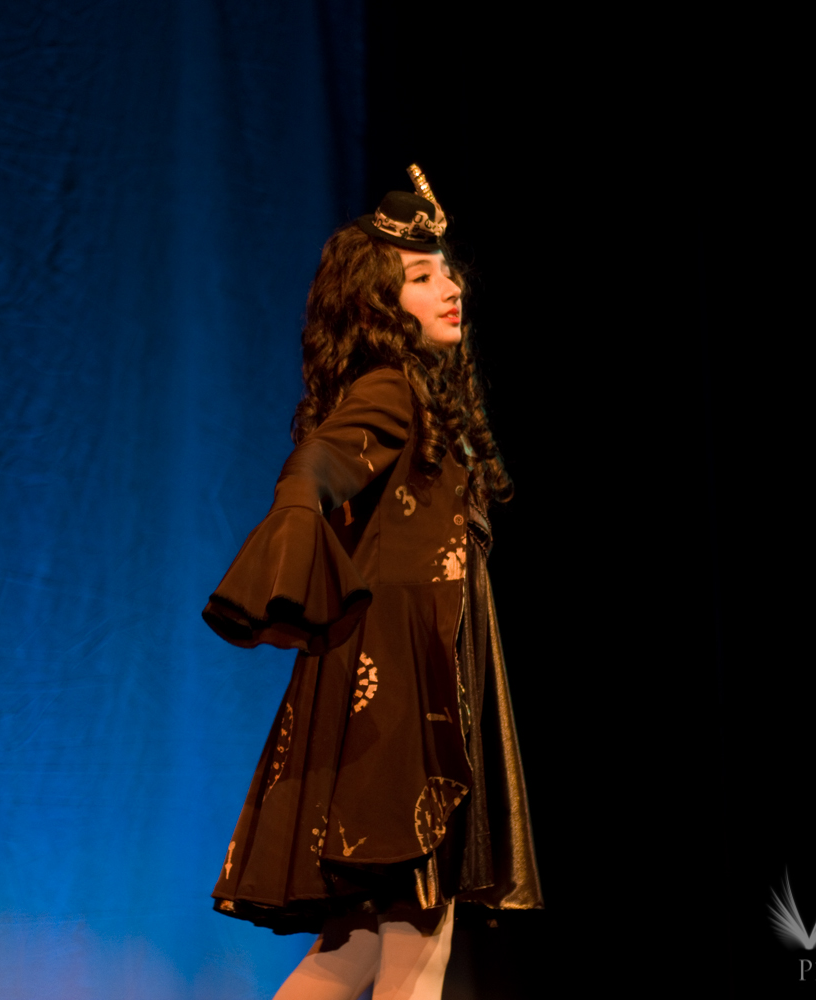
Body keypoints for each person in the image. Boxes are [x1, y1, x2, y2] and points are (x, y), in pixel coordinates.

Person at [202, 167, 541, 1000]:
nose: (451, 288)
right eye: (421, 277)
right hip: (404, 702)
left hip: (400, 686)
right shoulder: (392, 390)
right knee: (419, 940)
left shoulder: (422, 398)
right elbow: (321, 461)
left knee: (349, 952)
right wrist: (296, 509)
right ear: (379, 307)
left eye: (447, 271)